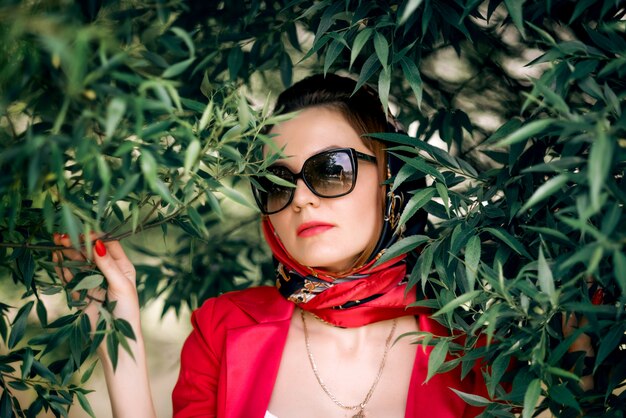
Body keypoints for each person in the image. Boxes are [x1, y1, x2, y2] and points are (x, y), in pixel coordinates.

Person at [53, 74, 593, 418]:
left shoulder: (475, 345)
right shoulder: (224, 329)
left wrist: (582, 381)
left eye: (330, 171)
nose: (302, 200)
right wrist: (111, 316)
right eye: (278, 182)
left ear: (391, 180)